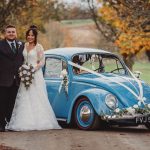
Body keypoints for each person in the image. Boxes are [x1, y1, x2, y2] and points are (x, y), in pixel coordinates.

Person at [6, 25, 61, 131]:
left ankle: (40, 121)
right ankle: (24, 122)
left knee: (37, 96)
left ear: (35, 36)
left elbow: (42, 61)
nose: (30, 37)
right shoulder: (23, 45)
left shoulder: (39, 47)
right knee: (24, 96)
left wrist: (33, 69)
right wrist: (23, 70)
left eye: (32, 35)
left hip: (35, 74)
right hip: (24, 73)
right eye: (28, 35)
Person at [0, 25, 24, 132]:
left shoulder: (21, 45)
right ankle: (1, 125)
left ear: (16, 33)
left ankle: (10, 124)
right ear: (5, 33)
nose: (11, 34)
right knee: (2, 103)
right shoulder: (0, 45)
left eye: (13, 32)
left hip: (17, 80)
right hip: (3, 79)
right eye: (9, 32)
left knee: (13, 103)